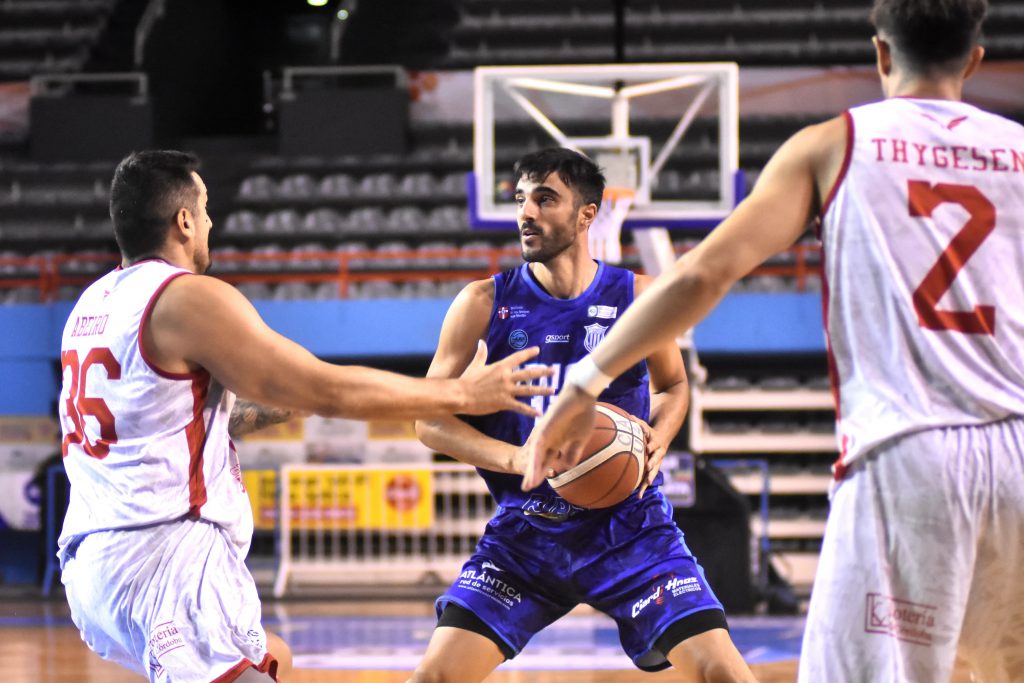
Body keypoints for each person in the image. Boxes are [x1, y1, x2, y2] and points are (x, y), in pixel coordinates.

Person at [528, 1, 1024, 681]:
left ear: (880, 54)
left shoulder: (835, 144)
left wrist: (584, 382)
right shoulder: (1020, 151)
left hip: (910, 453)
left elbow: (703, 273)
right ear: (974, 59)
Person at [57, 150, 552, 683]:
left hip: (94, 567)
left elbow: (169, 420)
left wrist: (276, 404)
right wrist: (461, 395)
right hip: (165, 563)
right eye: (203, 209)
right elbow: (331, 391)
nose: (209, 223)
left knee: (276, 659)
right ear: (182, 221)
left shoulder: (92, 305)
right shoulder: (186, 298)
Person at [408, 148, 757, 683]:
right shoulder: (482, 303)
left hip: (631, 532)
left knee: (726, 675)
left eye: (545, 199)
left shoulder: (639, 296)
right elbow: (427, 420)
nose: (527, 212)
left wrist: (660, 436)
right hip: (526, 534)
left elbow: (673, 385)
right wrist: (517, 456)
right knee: (433, 678)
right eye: (521, 199)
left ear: (587, 214)